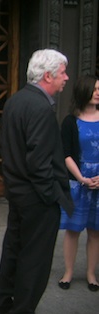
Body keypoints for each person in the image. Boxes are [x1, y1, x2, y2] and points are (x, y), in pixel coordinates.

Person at [0, 49, 74, 314]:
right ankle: (21, 309)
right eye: (62, 73)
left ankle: (3, 301)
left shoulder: (16, 100)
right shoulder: (40, 107)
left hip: (17, 192)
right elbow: (39, 162)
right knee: (34, 259)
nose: (66, 78)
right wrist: (50, 195)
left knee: (14, 248)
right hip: (37, 197)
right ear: (48, 76)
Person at [58, 74, 99, 292]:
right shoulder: (70, 121)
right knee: (72, 230)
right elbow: (65, 154)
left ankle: (91, 274)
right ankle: (68, 273)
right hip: (78, 181)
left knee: (95, 231)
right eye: (94, 89)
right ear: (84, 91)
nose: (98, 93)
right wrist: (81, 177)